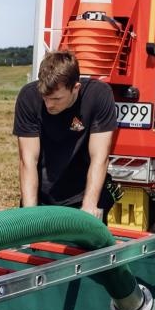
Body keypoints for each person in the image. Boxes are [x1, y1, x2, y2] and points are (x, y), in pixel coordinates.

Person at [13, 49, 117, 216]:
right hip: (43, 196)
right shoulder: (29, 98)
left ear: (75, 88)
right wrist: (29, 213)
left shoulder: (98, 96)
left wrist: (89, 205)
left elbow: (100, 156)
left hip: (82, 195)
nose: (49, 105)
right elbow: (28, 160)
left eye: (56, 99)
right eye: (45, 97)